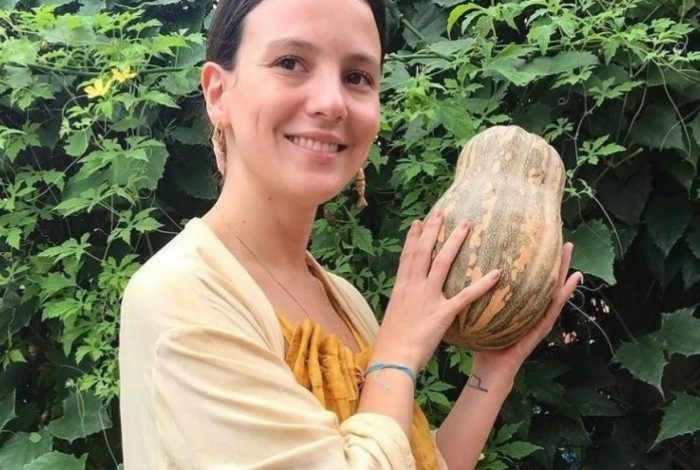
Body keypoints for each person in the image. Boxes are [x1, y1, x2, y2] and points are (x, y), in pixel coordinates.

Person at [118, 0, 583, 468]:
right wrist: (398, 355)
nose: (331, 103)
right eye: (290, 63)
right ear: (219, 93)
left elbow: (408, 459)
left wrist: (494, 371)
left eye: (357, 76)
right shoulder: (183, 299)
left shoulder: (345, 300)